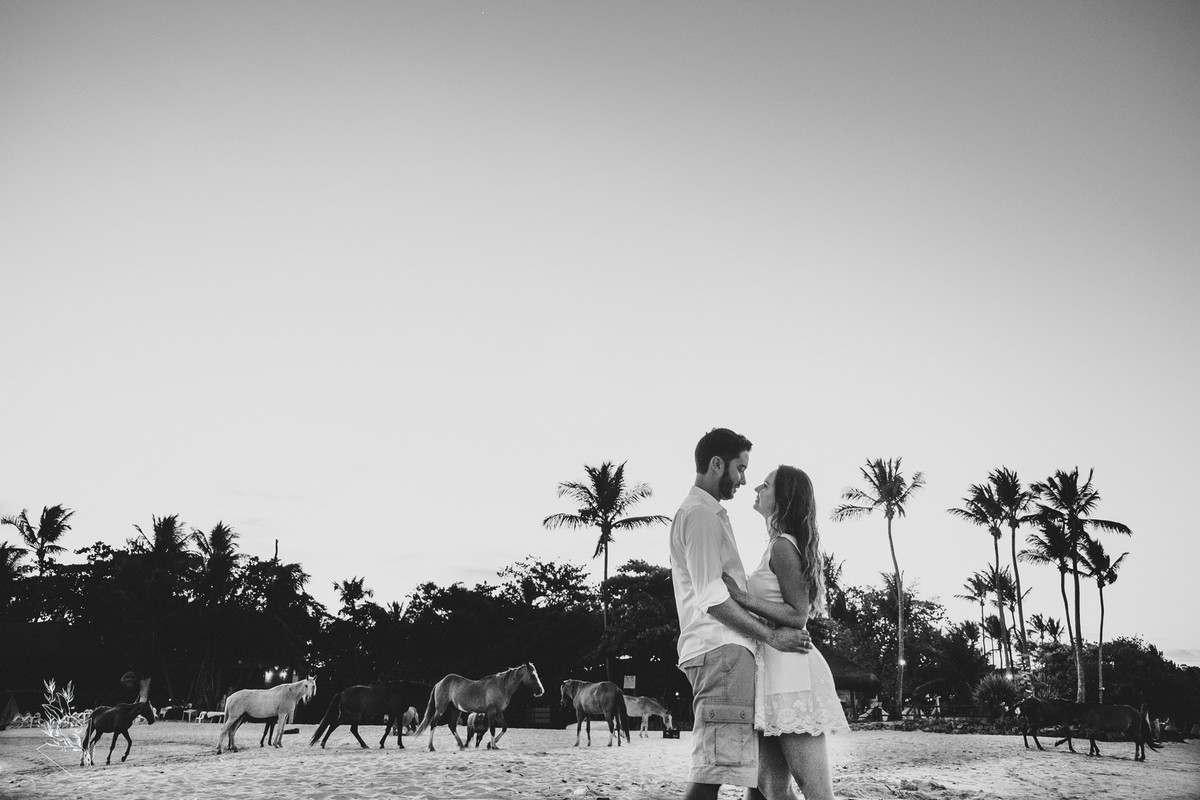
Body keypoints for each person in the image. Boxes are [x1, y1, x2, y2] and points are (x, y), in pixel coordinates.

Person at [670, 428, 813, 800]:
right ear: (717, 464)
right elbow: (712, 597)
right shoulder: (701, 515)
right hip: (723, 653)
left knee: (757, 778)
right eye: (740, 468)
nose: (744, 480)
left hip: (728, 656)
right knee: (712, 772)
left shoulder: (709, 514)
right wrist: (770, 635)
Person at [722, 465, 849, 800]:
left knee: (815, 788)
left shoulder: (782, 546)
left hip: (789, 672)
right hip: (771, 670)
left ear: (782, 500)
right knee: (767, 787)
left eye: (765, 486)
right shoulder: (775, 545)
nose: (756, 489)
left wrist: (740, 597)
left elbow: (798, 614)